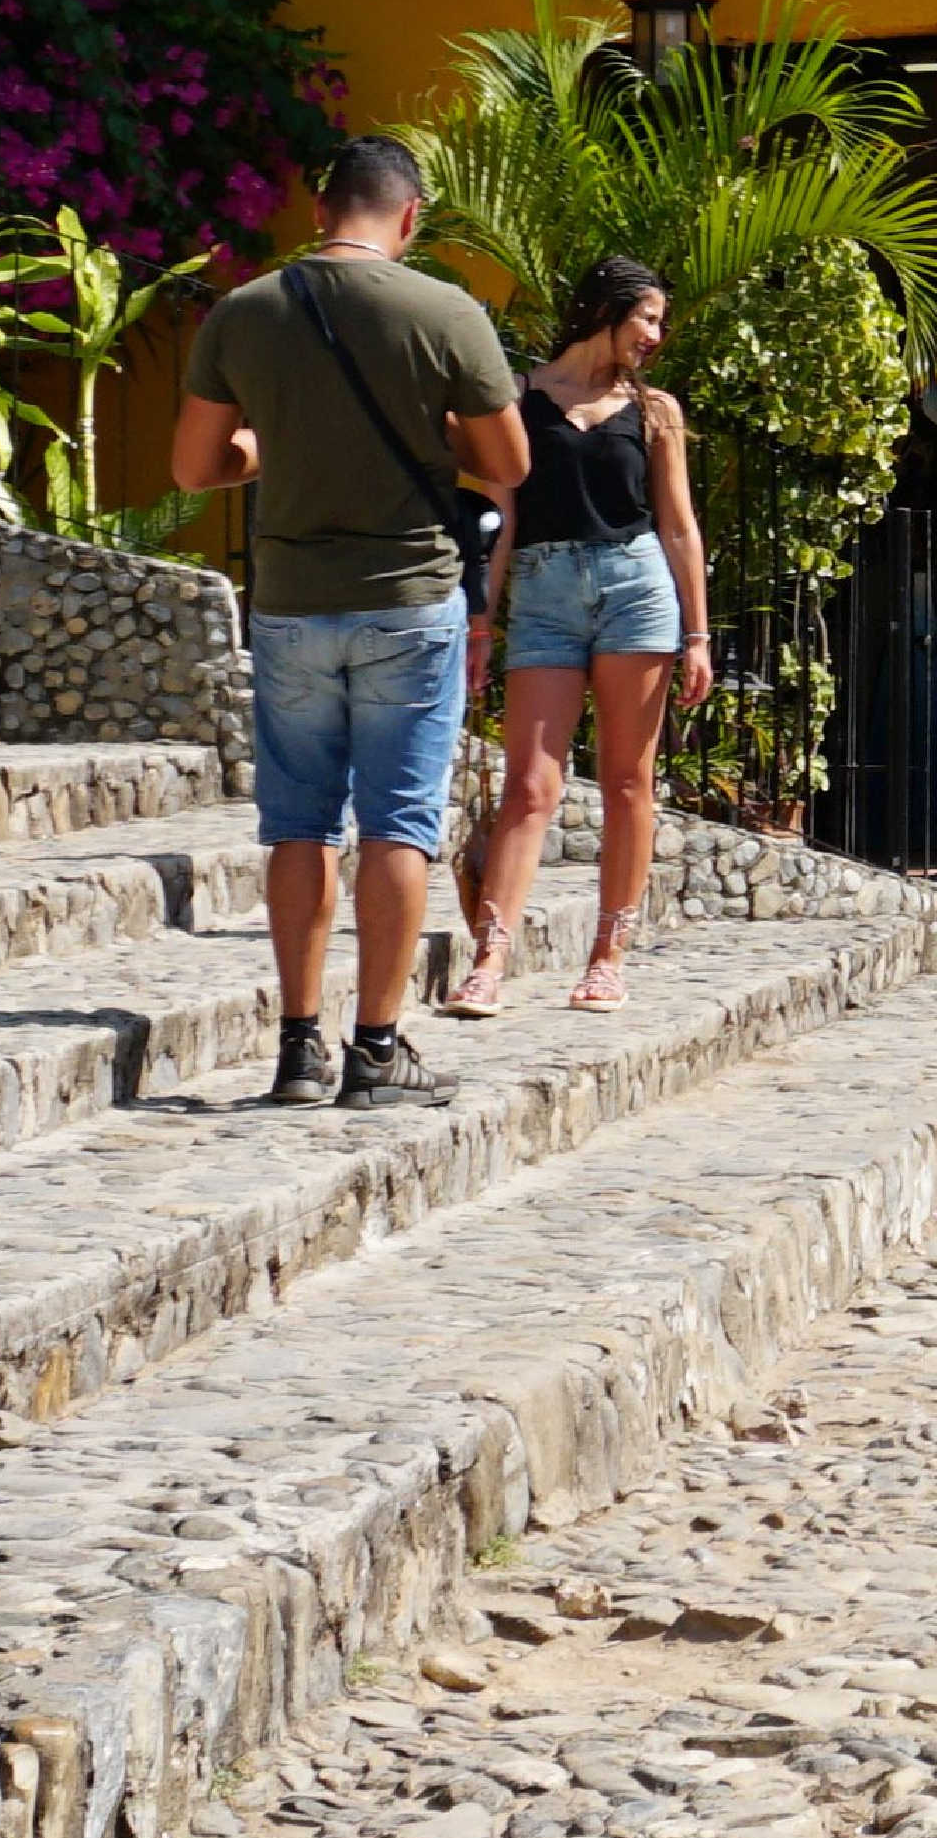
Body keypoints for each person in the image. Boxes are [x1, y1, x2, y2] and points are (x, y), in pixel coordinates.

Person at [174, 135, 530, 1113]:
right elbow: (508, 462)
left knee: (297, 823)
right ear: (409, 216)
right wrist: (432, 430)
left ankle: (296, 1050)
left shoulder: (243, 312)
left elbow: (195, 468)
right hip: (410, 603)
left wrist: (268, 447)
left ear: (321, 205)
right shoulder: (445, 312)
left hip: (289, 603)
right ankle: (375, 1049)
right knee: (398, 825)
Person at [449, 255, 712, 1023]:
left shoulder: (655, 409)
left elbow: (678, 525)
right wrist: (480, 620)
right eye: (649, 318)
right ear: (610, 310)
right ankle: (489, 961)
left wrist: (696, 634)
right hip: (546, 593)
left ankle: (608, 957)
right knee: (530, 785)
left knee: (630, 781)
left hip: (637, 590)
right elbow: (500, 522)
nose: (656, 336)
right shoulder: (520, 399)